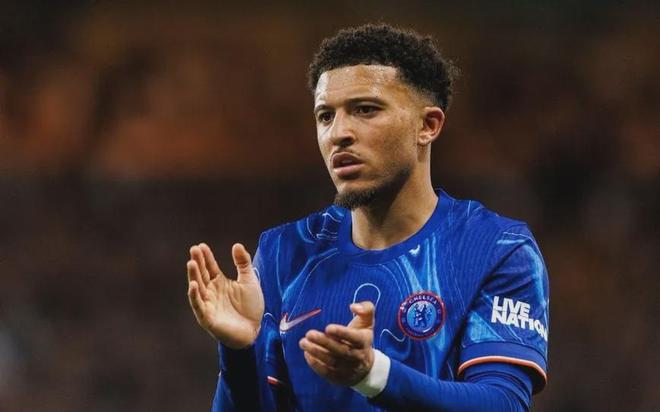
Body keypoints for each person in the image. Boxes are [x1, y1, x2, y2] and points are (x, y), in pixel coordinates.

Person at [186, 23, 549, 411]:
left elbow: (503, 402)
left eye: (365, 110)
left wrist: (374, 375)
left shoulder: (496, 248)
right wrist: (239, 350)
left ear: (428, 125)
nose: (338, 133)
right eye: (325, 116)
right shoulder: (284, 253)